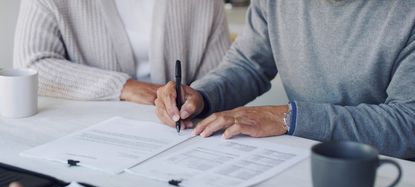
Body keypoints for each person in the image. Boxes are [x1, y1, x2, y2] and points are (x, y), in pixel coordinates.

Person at [155, 0, 415, 159]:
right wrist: (200, 97)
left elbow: (408, 124)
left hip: (385, 173)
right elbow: (248, 65)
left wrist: (289, 118)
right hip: (299, 158)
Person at [14, 0, 230, 104]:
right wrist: (125, 87)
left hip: (176, 135)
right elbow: (31, 67)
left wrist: (196, 102)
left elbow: (222, 79)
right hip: (84, 136)